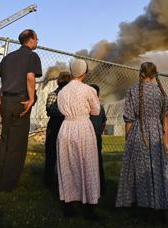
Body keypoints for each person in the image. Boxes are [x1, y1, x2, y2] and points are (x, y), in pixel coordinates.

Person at [116, 62, 168, 218]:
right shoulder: (162, 92)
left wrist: (128, 140)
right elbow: (165, 120)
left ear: (141, 74)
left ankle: (142, 207)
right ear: (155, 75)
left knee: (139, 170)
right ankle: (161, 207)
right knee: (157, 170)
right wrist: (166, 141)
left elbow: (129, 120)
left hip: (138, 134)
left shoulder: (133, 90)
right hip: (157, 136)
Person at [0, 28, 42, 192]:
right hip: (21, 102)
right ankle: (8, 185)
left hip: (5, 101)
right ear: (31, 39)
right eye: (37, 38)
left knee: (5, 141)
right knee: (17, 145)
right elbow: (30, 77)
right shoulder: (32, 56)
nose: (38, 41)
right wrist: (31, 99)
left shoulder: (8, 57)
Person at [56, 59, 101, 219]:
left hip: (66, 127)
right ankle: (89, 207)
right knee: (87, 164)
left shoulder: (62, 91)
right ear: (84, 72)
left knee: (67, 164)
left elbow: (61, 111)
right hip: (82, 127)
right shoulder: (88, 90)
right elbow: (96, 111)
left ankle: (68, 206)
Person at [44, 70, 72, 189]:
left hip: (55, 123)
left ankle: (48, 179)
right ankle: (63, 180)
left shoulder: (52, 94)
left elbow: (49, 110)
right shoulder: (70, 96)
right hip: (64, 123)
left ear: (58, 81)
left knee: (50, 152)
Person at [89, 83, 107, 196]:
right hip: (96, 136)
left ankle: (95, 186)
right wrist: (100, 130)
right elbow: (104, 121)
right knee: (98, 162)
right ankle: (100, 187)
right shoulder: (100, 107)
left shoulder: (87, 106)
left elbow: (104, 121)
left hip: (91, 137)